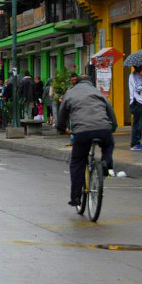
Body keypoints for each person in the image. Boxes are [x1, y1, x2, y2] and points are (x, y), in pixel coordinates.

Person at [56, 77, 118, 207]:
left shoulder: (70, 93)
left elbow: (61, 116)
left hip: (82, 132)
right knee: (108, 144)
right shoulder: (97, 92)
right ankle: (106, 162)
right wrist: (112, 128)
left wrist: (62, 128)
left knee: (77, 162)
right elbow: (111, 112)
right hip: (103, 129)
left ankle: (76, 197)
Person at [129, 65, 142, 151]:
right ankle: (134, 144)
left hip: (141, 102)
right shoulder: (133, 76)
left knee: (140, 124)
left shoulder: (139, 75)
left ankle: (138, 142)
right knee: (137, 124)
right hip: (136, 102)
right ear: (137, 66)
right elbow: (137, 89)